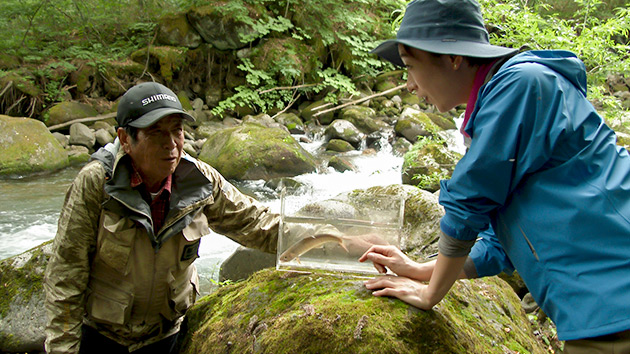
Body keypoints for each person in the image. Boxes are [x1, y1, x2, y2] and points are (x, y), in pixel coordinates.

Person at [359, 0, 630, 352]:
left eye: (411, 67)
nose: (409, 84)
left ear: (453, 58)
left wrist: (431, 293)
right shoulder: (503, 98)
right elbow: (499, 244)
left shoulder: (520, 85)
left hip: (613, 294)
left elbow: (469, 202)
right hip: (600, 304)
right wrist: (419, 270)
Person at [44, 82, 282, 354]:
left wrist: (325, 239)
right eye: (155, 132)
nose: (170, 144)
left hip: (167, 337)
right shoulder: (97, 184)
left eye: (176, 131)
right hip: (101, 338)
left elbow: (255, 223)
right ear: (125, 139)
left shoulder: (200, 181)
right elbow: (66, 275)